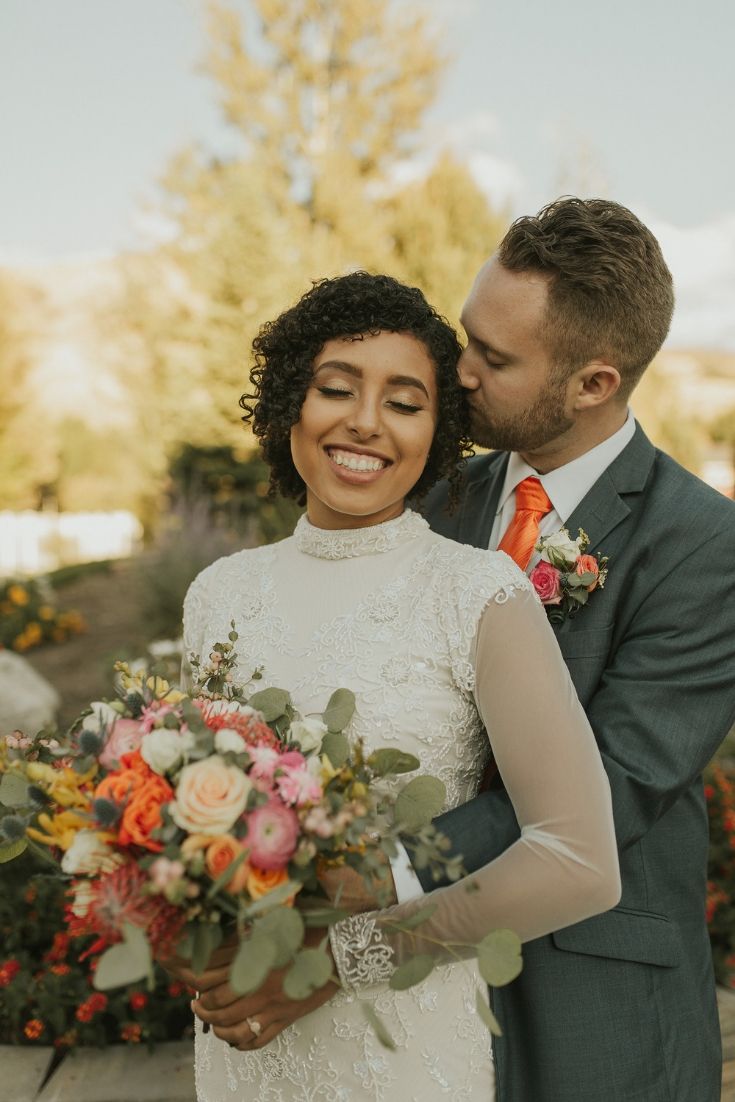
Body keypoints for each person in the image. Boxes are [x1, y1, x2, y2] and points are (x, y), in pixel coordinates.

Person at [179, 271, 620, 1101]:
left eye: (404, 402)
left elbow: (580, 864)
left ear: (438, 431)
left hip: (402, 1049)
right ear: (288, 407)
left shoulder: (478, 594)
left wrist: (344, 958)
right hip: (243, 1051)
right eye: (335, 388)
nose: (364, 422)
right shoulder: (217, 594)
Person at [416, 198, 735, 1101]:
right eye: (465, 337)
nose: (460, 372)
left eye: (495, 358)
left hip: (593, 996)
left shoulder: (704, 545)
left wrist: (386, 867)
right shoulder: (435, 497)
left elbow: (613, 781)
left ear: (594, 383)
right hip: (411, 995)